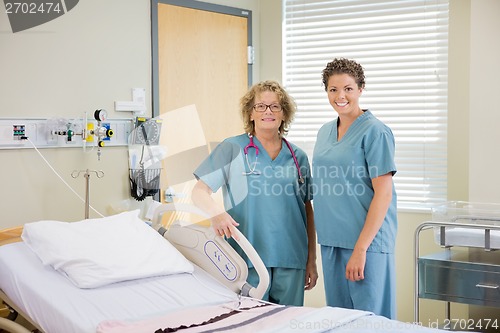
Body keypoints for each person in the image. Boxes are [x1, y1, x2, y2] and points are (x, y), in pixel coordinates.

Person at [191, 80, 318, 306]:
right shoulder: (232, 148)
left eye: (275, 106)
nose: (267, 111)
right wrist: (216, 214)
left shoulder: (297, 156)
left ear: (283, 114)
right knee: (251, 324)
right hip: (247, 258)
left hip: (291, 258)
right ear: (250, 113)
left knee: (288, 324)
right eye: (261, 106)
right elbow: (199, 192)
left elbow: (306, 209)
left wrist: (311, 260)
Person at [312, 58, 398, 318]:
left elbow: (383, 194)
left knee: (371, 320)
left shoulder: (375, 132)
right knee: (340, 320)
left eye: (348, 88)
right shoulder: (325, 131)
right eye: (333, 89)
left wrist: (361, 250)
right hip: (332, 241)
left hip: (366, 243)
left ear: (361, 89)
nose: (341, 96)